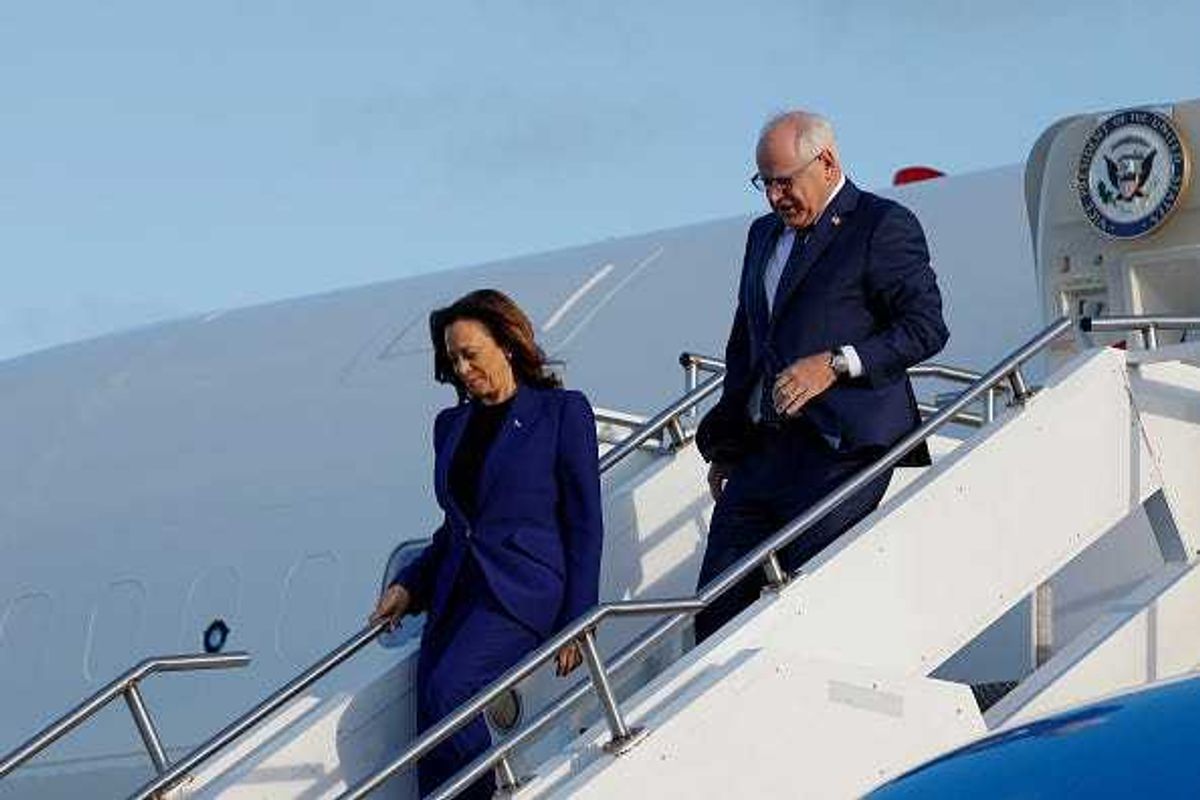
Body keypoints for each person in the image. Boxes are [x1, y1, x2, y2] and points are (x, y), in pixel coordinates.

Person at [693, 111, 949, 643]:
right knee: (716, 612)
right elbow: (746, 346)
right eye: (765, 182)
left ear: (827, 162)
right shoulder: (762, 236)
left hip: (842, 450)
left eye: (785, 180)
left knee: (802, 605)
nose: (774, 197)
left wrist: (837, 362)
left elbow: (926, 328)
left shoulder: (881, 225)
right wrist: (729, 445)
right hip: (764, 453)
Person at [370, 289, 603, 799]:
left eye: (470, 354)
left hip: (520, 591)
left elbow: (585, 523)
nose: (460, 368)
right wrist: (410, 586)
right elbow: (456, 528)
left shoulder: (561, 413)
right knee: (429, 723)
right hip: (458, 592)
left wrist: (578, 619)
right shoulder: (451, 426)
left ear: (508, 346)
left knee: (449, 691)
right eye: (452, 358)